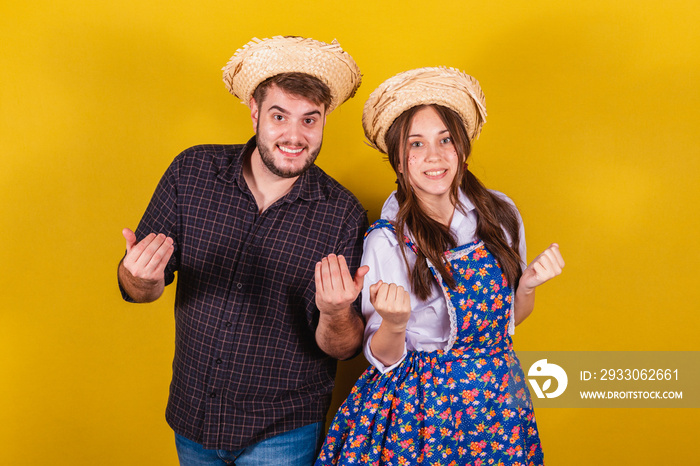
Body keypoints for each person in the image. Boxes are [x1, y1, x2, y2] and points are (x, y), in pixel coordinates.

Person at [117, 36, 369, 465]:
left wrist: (336, 312)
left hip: (284, 431)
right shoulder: (191, 172)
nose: (295, 135)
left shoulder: (343, 214)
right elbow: (139, 289)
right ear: (254, 110)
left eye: (310, 120)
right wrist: (138, 277)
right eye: (279, 116)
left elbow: (342, 348)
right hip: (194, 418)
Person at [316, 67, 565, 466]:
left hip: (495, 405)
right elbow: (382, 358)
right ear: (399, 161)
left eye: (445, 140)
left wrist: (528, 287)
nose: (433, 156)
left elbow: (506, 324)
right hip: (418, 415)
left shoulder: (500, 215)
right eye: (416, 144)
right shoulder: (386, 240)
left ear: (462, 149)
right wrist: (395, 324)